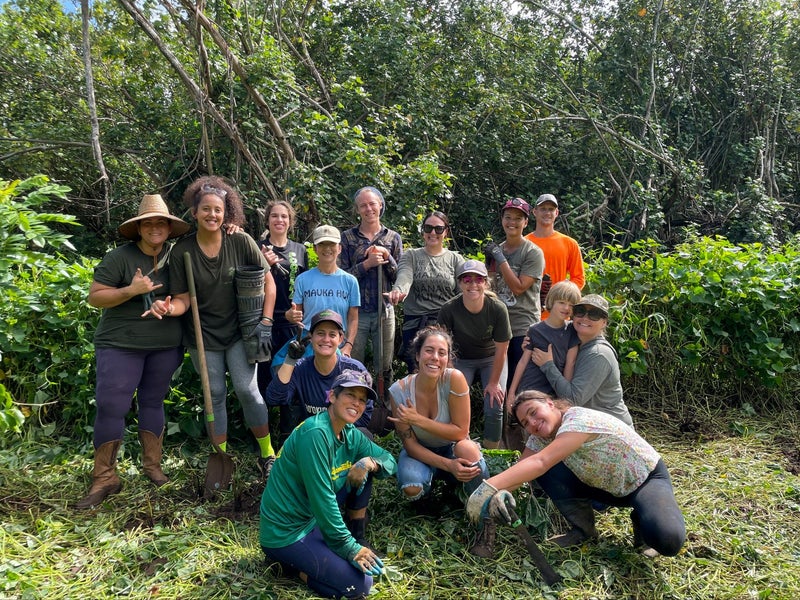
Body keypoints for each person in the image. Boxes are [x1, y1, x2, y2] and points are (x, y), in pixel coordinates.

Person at [144, 176, 279, 480]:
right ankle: (221, 455)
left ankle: (267, 453)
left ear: (226, 212)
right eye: (206, 209)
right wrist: (167, 308)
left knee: (247, 390)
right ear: (194, 212)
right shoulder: (183, 251)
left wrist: (267, 321)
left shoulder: (240, 241)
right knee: (213, 394)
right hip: (202, 336)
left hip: (241, 333)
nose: (212, 215)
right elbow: (181, 301)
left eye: (218, 210)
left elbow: (268, 282)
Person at [467, 392, 686, 558]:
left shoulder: (578, 419)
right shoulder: (540, 438)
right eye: (525, 422)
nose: (532, 423)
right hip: (603, 487)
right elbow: (523, 468)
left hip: (644, 480)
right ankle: (583, 530)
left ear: (550, 404)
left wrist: (488, 488)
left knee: (668, 540)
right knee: (541, 470)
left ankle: (642, 516)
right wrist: (500, 493)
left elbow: (540, 462)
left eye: (534, 412)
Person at [77, 194, 190, 509]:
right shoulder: (119, 258)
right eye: (148, 223)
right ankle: (104, 477)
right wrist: (132, 290)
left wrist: (169, 308)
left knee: (153, 402)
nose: (155, 228)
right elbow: (95, 297)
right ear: (139, 228)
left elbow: (184, 299)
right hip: (120, 344)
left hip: (164, 345)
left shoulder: (178, 257)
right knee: (112, 405)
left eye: (161, 222)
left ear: (169, 227)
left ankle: (153, 467)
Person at [259, 370, 397, 599]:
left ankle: (355, 533)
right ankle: (290, 568)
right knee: (360, 585)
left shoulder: (350, 434)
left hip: (313, 518)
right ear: (332, 396)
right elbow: (323, 500)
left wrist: (369, 462)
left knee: (368, 469)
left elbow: (390, 461)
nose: (357, 403)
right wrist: (350, 548)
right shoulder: (316, 434)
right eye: (350, 395)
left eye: (362, 400)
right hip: (286, 531)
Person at [387, 326, 495, 558]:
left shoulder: (454, 379)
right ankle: (428, 502)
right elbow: (410, 446)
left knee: (468, 449)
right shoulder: (399, 391)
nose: (435, 357)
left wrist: (418, 420)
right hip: (421, 452)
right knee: (411, 486)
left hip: (452, 447)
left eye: (442, 352)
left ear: (448, 357)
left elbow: (460, 431)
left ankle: (484, 521)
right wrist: (448, 466)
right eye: (429, 351)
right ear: (417, 355)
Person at [437, 259, 511, 449]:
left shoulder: (497, 308)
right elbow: (443, 346)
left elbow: (502, 349)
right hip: (461, 359)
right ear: (460, 283)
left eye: (478, 279)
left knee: (495, 403)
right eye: (467, 279)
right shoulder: (449, 309)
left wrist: (494, 383)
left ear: (486, 283)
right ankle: (458, 444)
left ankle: (492, 450)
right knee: (451, 397)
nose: (473, 285)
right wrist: (451, 374)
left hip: (491, 359)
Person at [266, 309, 374, 436]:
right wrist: (290, 359)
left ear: (340, 339)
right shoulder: (300, 368)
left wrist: (333, 434)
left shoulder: (355, 369)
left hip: (343, 435)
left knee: (364, 435)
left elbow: (364, 415)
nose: (326, 339)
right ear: (311, 337)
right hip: (311, 435)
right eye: (320, 333)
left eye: (332, 335)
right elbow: (274, 398)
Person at [531, 294, 632, 427]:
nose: (585, 318)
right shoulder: (574, 343)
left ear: (604, 322)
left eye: (594, 314)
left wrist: (547, 365)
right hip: (589, 424)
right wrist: (531, 342)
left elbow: (572, 401)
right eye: (580, 312)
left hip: (611, 428)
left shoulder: (598, 354)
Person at [339, 186, 402, 389]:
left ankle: (383, 405)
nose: (368, 209)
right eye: (363, 205)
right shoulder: (347, 238)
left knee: (383, 364)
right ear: (358, 210)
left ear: (380, 205)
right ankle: (354, 407)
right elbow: (341, 277)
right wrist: (366, 265)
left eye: (372, 204)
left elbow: (399, 276)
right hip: (355, 312)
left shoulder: (393, 238)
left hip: (384, 311)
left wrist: (387, 256)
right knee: (352, 363)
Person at [256, 200, 308, 444]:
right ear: (267, 220)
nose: (279, 220)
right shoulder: (257, 247)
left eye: (284, 216)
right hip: (265, 323)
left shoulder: (300, 250)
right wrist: (263, 264)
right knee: (263, 379)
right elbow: (248, 284)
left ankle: (287, 436)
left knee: (290, 376)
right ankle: (263, 437)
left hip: (291, 324)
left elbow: (303, 286)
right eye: (274, 216)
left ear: (290, 221)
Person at [386, 211, 464, 374]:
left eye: (438, 229)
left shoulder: (455, 259)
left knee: (444, 374)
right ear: (422, 231)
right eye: (428, 228)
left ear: (446, 232)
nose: (433, 233)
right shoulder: (411, 256)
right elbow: (404, 277)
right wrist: (398, 291)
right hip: (416, 325)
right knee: (416, 373)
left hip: (446, 324)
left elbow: (464, 291)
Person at [484, 198, 544, 392]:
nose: (512, 222)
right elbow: (491, 287)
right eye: (508, 217)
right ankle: (502, 421)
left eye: (518, 218)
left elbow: (519, 288)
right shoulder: (496, 250)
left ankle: (519, 422)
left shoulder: (533, 252)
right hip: (499, 326)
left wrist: (500, 259)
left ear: (526, 222)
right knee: (501, 384)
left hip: (523, 326)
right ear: (502, 220)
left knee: (521, 384)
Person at [285, 224, 360, 354]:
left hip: (337, 344)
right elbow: (295, 312)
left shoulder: (350, 281)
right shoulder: (302, 279)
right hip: (308, 343)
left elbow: (353, 318)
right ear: (315, 249)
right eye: (322, 244)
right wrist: (290, 315)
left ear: (340, 248)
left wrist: (348, 346)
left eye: (331, 244)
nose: (327, 249)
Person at [507, 280, 582, 401]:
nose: (566, 308)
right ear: (551, 302)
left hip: (554, 389)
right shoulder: (535, 330)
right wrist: (511, 393)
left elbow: (570, 363)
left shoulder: (572, 330)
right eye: (562, 302)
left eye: (572, 305)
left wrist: (565, 397)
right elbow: (523, 362)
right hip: (531, 386)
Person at [525, 193, 585, 320]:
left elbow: (578, 279)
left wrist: (559, 296)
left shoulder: (569, 243)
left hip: (558, 316)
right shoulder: (524, 243)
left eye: (551, 209)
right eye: (543, 209)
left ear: (557, 212)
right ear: (535, 212)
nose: (547, 213)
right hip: (528, 312)